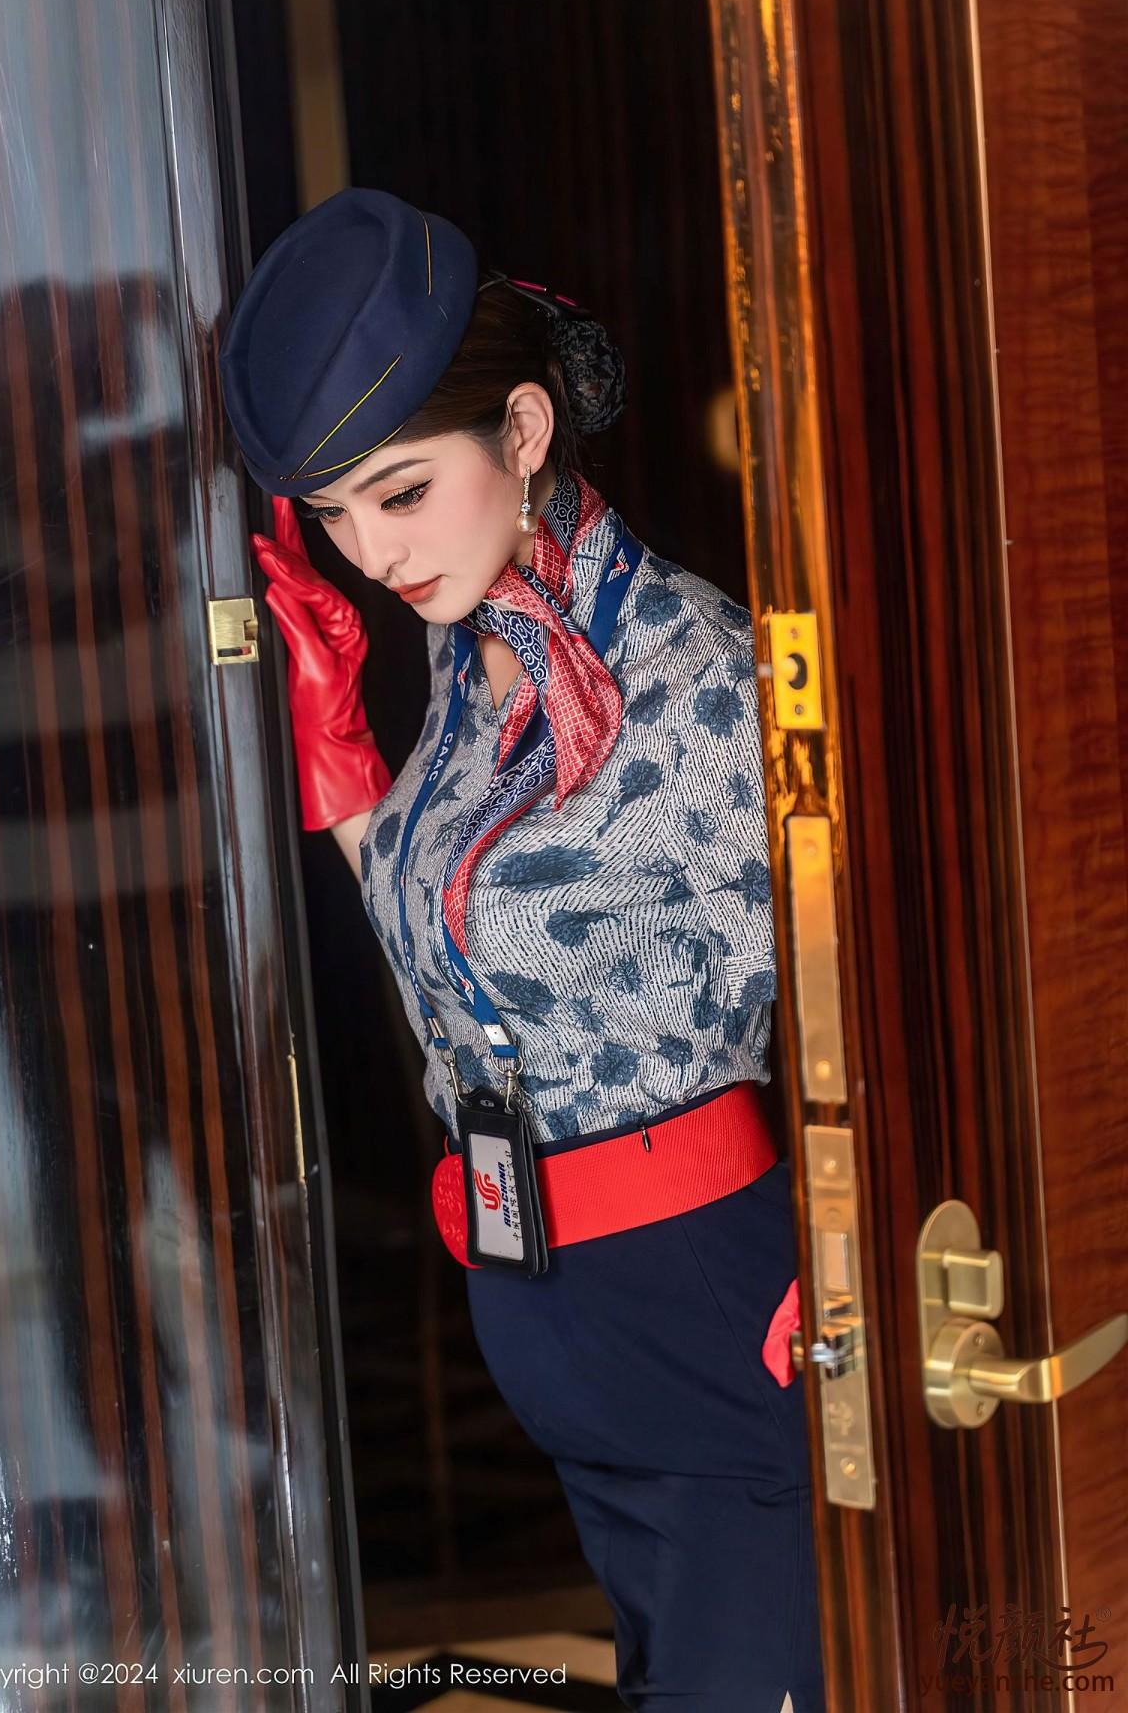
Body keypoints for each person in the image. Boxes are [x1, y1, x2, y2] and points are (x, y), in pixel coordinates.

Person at [219, 185, 824, 1712]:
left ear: (527, 431)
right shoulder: (468, 650)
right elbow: (467, 968)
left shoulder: (704, 679)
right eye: (335, 513)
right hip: (554, 1319)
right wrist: (345, 766)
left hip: (709, 1313)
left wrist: (846, 1269)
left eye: (401, 493)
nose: (370, 551)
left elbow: (879, 998)